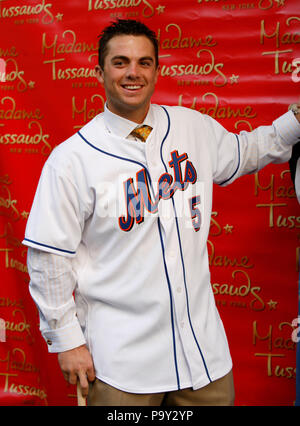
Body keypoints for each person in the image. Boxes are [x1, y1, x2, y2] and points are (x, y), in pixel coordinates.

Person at [23, 19, 300, 406]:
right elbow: (49, 258)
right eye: (120, 62)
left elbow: (245, 151)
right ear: (100, 71)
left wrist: (295, 121)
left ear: (156, 70)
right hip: (122, 364)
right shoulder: (71, 159)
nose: (133, 72)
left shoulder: (191, 126)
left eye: (144, 62)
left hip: (203, 356)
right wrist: (67, 339)